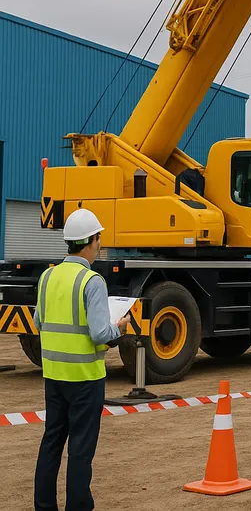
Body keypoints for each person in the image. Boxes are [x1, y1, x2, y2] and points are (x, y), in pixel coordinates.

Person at [33, 208, 130, 511]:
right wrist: (120, 327)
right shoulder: (92, 281)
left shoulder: (47, 276)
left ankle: (44, 506)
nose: (100, 245)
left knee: (51, 443)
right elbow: (100, 333)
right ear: (89, 241)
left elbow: (38, 322)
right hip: (85, 379)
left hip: (54, 375)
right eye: (98, 238)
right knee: (80, 450)